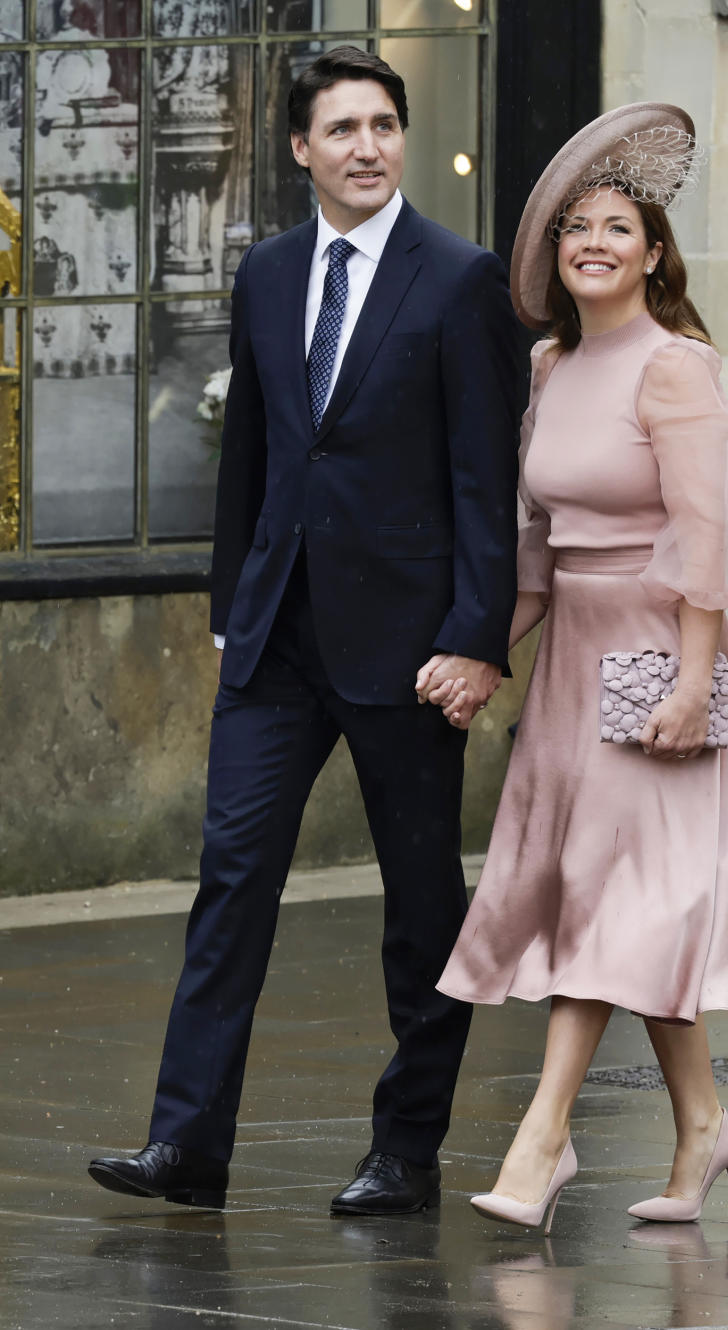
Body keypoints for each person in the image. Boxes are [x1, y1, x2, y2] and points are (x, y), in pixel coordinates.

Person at [88, 46, 521, 1217]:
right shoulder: (269, 274)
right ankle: (187, 1144)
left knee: (420, 901)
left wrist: (478, 637)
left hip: (412, 647)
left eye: (384, 125)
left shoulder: (461, 278)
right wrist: (232, 608)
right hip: (277, 641)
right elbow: (256, 456)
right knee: (230, 881)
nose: (368, 146)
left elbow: (488, 477)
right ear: (300, 149)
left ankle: (407, 1150)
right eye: (343, 130)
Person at [426, 102, 728, 1232]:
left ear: (655, 252)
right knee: (616, 897)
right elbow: (536, 546)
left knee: (613, 903)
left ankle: (543, 1136)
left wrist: (689, 681)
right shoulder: (550, 363)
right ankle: (704, 1124)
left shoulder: (678, 369)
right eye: (577, 226)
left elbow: (706, 541)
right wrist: (485, 659)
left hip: (659, 658)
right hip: (573, 660)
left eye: (618, 226)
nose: (595, 242)